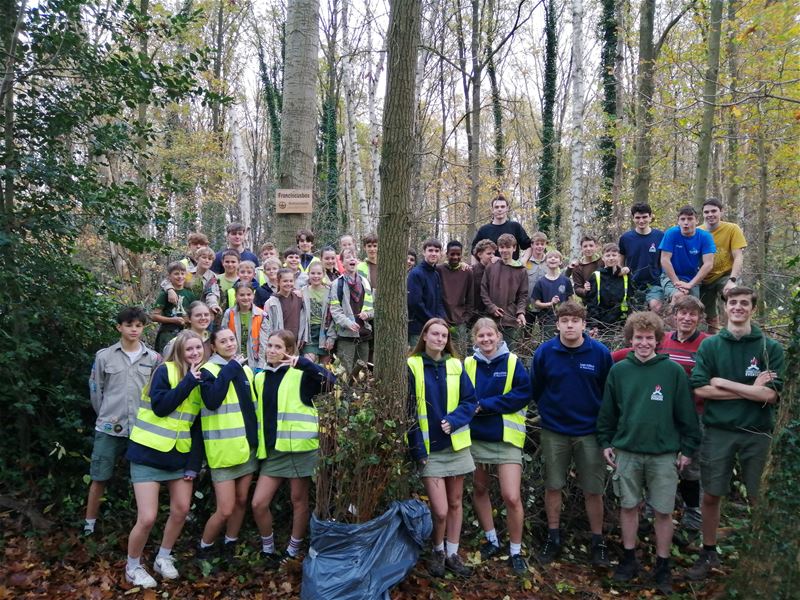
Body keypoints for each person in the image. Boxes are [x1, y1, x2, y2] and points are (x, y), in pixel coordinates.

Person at [597, 311, 701, 594]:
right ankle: (629, 558)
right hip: (627, 451)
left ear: (658, 340)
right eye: (638, 338)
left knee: (664, 511)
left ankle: (663, 564)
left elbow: (686, 415)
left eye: (649, 338)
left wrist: (688, 449)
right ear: (630, 340)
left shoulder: (673, 372)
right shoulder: (619, 371)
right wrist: (606, 442)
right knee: (628, 506)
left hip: (663, 453)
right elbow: (608, 412)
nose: (644, 343)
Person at [687, 287, 784, 581]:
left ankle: (760, 553)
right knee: (712, 494)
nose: (738, 307)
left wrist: (724, 383)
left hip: (757, 432)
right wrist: (751, 389)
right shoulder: (711, 346)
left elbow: (772, 396)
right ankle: (708, 551)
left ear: (753, 309)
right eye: (733, 302)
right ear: (726, 307)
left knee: (759, 496)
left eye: (744, 303)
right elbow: (701, 389)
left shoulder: (770, 348)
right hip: (719, 431)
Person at [530, 301, 613, 566]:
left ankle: (598, 542)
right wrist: (549, 413)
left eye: (574, 321)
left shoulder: (599, 353)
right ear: (557, 324)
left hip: (589, 432)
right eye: (564, 320)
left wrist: (605, 431)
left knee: (593, 489)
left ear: (583, 324)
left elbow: (608, 393)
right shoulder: (545, 352)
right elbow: (537, 388)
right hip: (555, 430)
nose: (569, 325)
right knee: (554, 485)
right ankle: (553, 537)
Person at [123, 330, 204, 588]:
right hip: (148, 454)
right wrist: (188, 382)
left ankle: (163, 557)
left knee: (181, 510)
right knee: (147, 517)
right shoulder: (165, 371)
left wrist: (193, 464)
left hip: (178, 457)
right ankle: (132, 566)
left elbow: (196, 427)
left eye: (198, 348)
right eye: (189, 349)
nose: (194, 353)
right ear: (180, 351)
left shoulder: (201, 378)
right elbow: (160, 407)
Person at [251, 330, 336, 563]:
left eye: (278, 347)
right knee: (258, 503)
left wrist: (306, 365)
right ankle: (268, 549)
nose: (271, 350)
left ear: (288, 351)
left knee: (299, 501)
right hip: (273, 452)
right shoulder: (260, 378)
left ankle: (292, 550)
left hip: (301, 450)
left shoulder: (301, 376)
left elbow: (332, 382)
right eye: (269, 345)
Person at [407, 318, 477, 578]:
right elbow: (408, 411)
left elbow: (471, 401)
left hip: (456, 446)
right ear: (424, 336)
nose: (440, 339)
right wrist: (418, 451)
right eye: (435, 334)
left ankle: (452, 553)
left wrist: (456, 420)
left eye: (444, 336)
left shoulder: (456, 366)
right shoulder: (412, 365)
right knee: (440, 509)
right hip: (429, 450)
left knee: (456, 503)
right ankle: (437, 549)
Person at [84, 307, 160, 536]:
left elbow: (156, 392)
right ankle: (89, 524)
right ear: (119, 327)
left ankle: (142, 522)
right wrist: (106, 413)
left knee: (145, 478)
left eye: (138, 325)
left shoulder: (154, 358)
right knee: (99, 476)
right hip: (109, 426)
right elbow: (96, 389)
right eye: (129, 325)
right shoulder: (104, 356)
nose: (134, 330)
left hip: (141, 428)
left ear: (143, 327)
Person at [464, 318, 531, 575]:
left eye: (490, 335)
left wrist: (486, 405)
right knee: (480, 489)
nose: (486, 340)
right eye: (481, 336)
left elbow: (522, 395)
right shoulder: (468, 364)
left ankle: (515, 550)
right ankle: (492, 539)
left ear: (499, 336)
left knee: (511, 496)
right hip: (477, 437)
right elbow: (464, 397)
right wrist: (477, 406)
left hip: (506, 439)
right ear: (475, 339)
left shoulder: (513, 362)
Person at [197, 328, 259, 560]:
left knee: (242, 500)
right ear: (213, 347)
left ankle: (230, 544)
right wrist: (231, 368)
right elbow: (212, 401)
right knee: (225, 508)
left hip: (246, 447)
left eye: (232, 339)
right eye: (223, 341)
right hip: (222, 450)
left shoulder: (245, 370)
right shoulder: (207, 371)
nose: (229, 344)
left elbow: (251, 408)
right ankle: (205, 547)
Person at [698, 198, 747, 332]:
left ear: (721, 212)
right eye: (706, 212)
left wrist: (732, 280)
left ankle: (739, 332)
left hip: (724, 276)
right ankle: (715, 341)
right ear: (702, 214)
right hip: (703, 279)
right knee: (710, 318)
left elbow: (738, 256)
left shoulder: (732, 229)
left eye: (714, 211)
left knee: (734, 295)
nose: (710, 215)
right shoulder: (697, 232)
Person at [325, 248, 374, 379]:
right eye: (347, 257)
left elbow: (373, 306)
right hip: (346, 335)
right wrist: (348, 323)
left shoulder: (365, 282)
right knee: (344, 372)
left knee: (362, 372)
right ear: (341, 262)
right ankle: (344, 397)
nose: (352, 259)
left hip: (364, 334)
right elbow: (335, 310)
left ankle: (361, 398)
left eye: (354, 257)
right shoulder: (337, 284)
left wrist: (368, 314)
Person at [480, 233, 528, 351]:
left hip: (510, 320)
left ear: (514, 248)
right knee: (489, 352)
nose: (504, 250)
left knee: (508, 353)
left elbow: (523, 295)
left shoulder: (521, 270)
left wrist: (520, 312)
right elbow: (483, 289)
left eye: (508, 247)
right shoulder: (491, 266)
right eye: (501, 247)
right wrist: (492, 307)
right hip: (491, 320)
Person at [659, 206, 716, 303]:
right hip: (671, 276)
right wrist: (677, 283)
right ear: (678, 221)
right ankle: (671, 318)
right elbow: (664, 260)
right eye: (682, 219)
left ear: (697, 221)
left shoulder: (705, 236)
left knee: (693, 304)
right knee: (679, 297)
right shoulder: (671, 233)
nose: (686, 222)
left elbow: (708, 264)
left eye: (690, 219)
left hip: (693, 279)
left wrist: (690, 284)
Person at [619, 202, 665, 312]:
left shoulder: (660, 236)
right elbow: (620, 261)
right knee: (636, 314)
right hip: (633, 283)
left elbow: (665, 260)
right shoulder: (625, 238)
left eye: (644, 217)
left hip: (655, 282)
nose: (641, 221)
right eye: (637, 217)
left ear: (650, 217)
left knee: (655, 307)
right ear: (633, 218)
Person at [407, 239, 447, 348]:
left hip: (433, 328)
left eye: (437, 251)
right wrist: (432, 321)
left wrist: (441, 320)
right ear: (424, 252)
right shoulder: (416, 273)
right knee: (418, 359)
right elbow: (414, 303)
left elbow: (439, 301)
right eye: (430, 250)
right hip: (418, 328)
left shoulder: (435, 274)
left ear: (440, 254)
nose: (433, 253)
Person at [470, 193, 531, 262]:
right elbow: (474, 251)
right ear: (492, 210)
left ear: (507, 209)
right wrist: (476, 270)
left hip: (511, 269)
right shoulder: (484, 230)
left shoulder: (515, 227)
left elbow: (529, 245)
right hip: (490, 270)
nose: (499, 209)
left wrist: (523, 260)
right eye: (496, 207)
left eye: (502, 207)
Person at [437, 241, 474, 355]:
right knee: (441, 354)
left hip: (460, 322)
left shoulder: (467, 272)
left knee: (460, 354)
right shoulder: (439, 270)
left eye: (458, 254)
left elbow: (470, 298)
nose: (455, 257)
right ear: (447, 254)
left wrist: (466, 317)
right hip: (441, 320)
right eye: (452, 254)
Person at [222, 282, 269, 371]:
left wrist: (261, 364)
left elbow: (264, 342)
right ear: (236, 296)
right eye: (242, 295)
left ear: (253, 295)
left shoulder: (261, 315)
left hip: (255, 361)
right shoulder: (229, 313)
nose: (246, 297)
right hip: (234, 359)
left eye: (248, 294)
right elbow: (223, 338)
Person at [151, 262, 196, 353]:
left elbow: (193, 314)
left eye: (182, 274)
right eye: (176, 274)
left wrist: (188, 320)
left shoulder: (190, 294)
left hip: (186, 332)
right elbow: (154, 316)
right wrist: (173, 320)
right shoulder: (165, 294)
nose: (180, 276)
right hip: (168, 332)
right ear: (169, 276)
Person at [586, 243, 631, 326]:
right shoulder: (596, 276)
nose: (611, 258)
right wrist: (594, 325)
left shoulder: (625, 275)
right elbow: (591, 303)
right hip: (601, 323)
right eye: (607, 255)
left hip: (622, 323)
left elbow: (631, 298)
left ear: (619, 257)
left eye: (614, 255)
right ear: (603, 258)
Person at [530, 250, 573, 339]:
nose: (553, 259)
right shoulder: (541, 282)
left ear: (560, 262)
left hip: (565, 318)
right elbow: (536, 303)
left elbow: (571, 300)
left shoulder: (566, 280)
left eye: (556, 257)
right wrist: (550, 304)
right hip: (547, 320)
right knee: (550, 342)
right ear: (545, 262)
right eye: (550, 257)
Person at [265, 268, 310, 349]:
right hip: (279, 343)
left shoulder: (299, 298)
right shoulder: (271, 302)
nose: (288, 283)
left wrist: (303, 337)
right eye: (285, 281)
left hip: (295, 343)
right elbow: (268, 326)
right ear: (278, 282)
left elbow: (304, 320)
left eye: (291, 281)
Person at [302, 262, 331, 364]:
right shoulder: (303, 291)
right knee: (307, 363)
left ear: (323, 274)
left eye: (319, 273)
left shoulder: (330, 291)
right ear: (308, 274)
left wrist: (331, 336)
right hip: (309, 332)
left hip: (325, 332)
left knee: (323, 369)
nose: (316, 276)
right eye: (313, 273)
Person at [566, 235, 603, 300]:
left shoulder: (603, 261)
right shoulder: (577, 267)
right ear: (581, 248)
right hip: (589, 301)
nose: (588, 249)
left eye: (591, 246)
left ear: (596, 247)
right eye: (585, 246)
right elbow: (577, 288)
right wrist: (584, 290)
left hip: (605, 298)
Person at [470, 239, 497, 322]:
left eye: (493, 253)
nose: (492, 256)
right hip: (474, 315)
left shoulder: (496, 270)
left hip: (493, 314)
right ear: (479, 254)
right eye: (489, 253)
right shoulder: (472, 271)